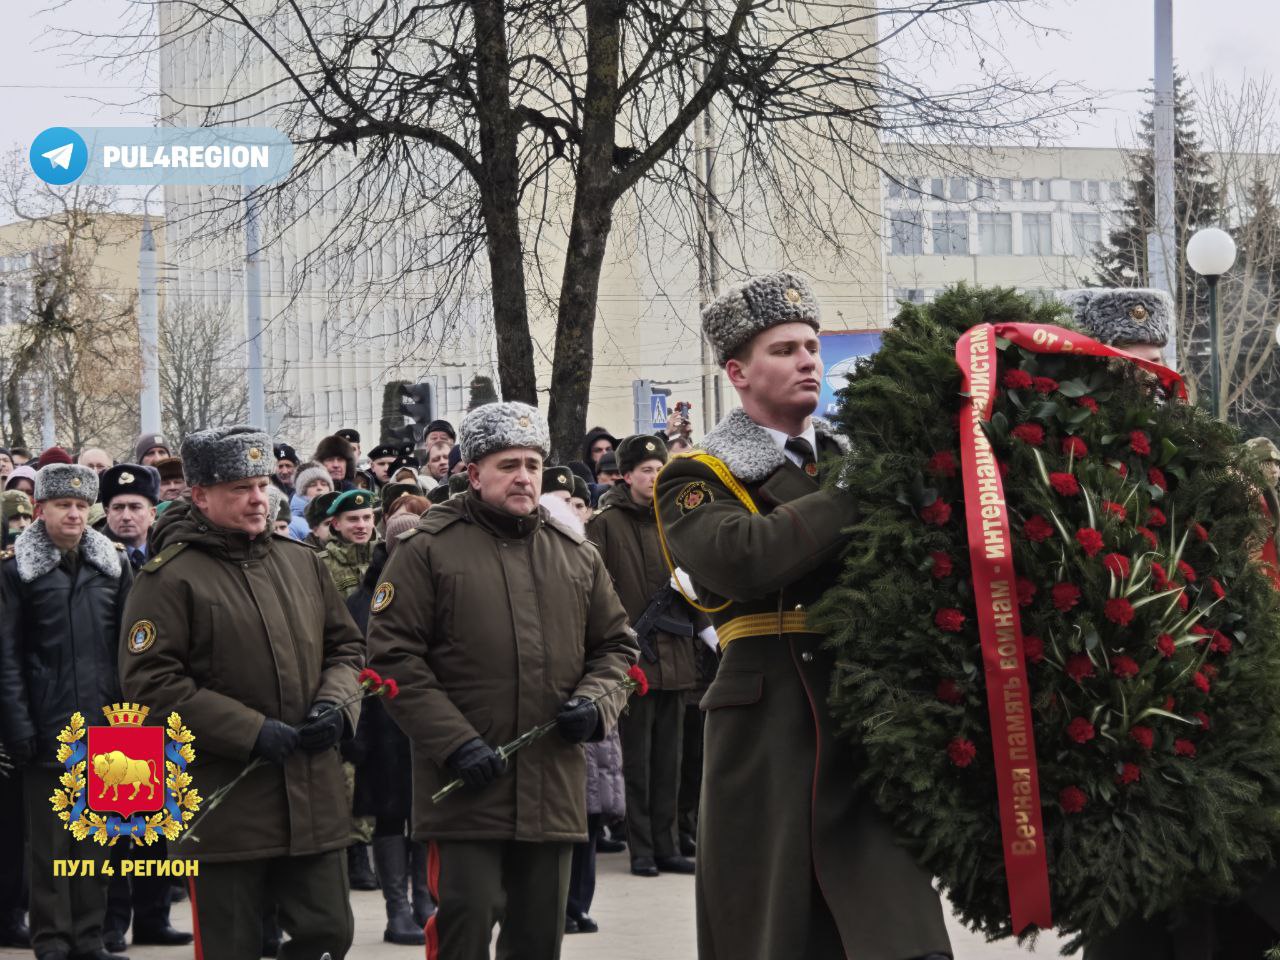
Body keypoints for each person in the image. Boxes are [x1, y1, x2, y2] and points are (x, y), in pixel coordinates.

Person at [654, 272, 951, 960]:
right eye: (784, 349)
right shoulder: (697, 475)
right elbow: (745, 559)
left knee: (905, 941)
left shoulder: (861, 459)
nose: (808, 361)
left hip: (871, 726)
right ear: (738, 373)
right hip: (770, 734)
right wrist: (859, 487)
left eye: (812, 347)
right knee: (778, 934)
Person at [366, 401, 638, 960]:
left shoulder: (575, 555)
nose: (524, 477)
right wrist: (455, 742)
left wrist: (595, 703)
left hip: (552, 785)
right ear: (473, 473)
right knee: (466, 924)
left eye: (532, 465)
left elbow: (617, 648)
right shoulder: (428, 550)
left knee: (538, 937)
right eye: (508, 465)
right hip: (465, 787)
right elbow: (393, 658)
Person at [117, 425, 364, 960]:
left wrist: (335, 706)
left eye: (261, 485)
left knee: (329, 934)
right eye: (240, 488)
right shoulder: (169, 577)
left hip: (311, 790)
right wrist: (250, 731)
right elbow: (150, 685)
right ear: (201, 496)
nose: (258, 499)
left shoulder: (300, 561)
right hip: (225, 798)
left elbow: (347, 648)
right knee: (232, 945)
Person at [0, 463, 134, 960]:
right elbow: (7, 656)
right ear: (40, 510)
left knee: (98, 842)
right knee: (51, 845)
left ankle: (89, 936)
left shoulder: (113, 565)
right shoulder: (16, 570)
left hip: (108, 724)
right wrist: (17, 726)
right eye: (63, 505)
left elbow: (132, 650)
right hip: (47, 723)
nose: (74, 514)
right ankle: (53, 939)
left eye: (81, 505)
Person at [587, 435, 698, 878]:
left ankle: (668, 845)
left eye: (659, 469)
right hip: (632, 659)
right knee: (637, 760)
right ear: (626, 475)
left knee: (671, 760)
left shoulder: (675, 519)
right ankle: (643, 849)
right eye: (646, 471)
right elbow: (595, 589)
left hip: (677, 653)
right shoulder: (606, 524)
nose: (654, 477)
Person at [348, 508, 434, 946]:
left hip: (428, 719)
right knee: (389, 815)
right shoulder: (364, 599)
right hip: (381, 724)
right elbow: (351, 664)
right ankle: (397, 908)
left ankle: (424, 899)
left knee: (423, 815)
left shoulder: (436, 586)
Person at [320, 490, 378, 598]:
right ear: (336, 524)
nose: (361, 525)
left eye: (367, 518)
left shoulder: (388, 554)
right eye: (353, 519)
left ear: (373, 520)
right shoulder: (322, 564)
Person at [99, 465, 158, 571]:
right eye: (118, 508)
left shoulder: (166, 550)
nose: (126, 517)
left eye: (135, 507)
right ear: (107, 514)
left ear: (152, 514)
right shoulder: (93, 557)